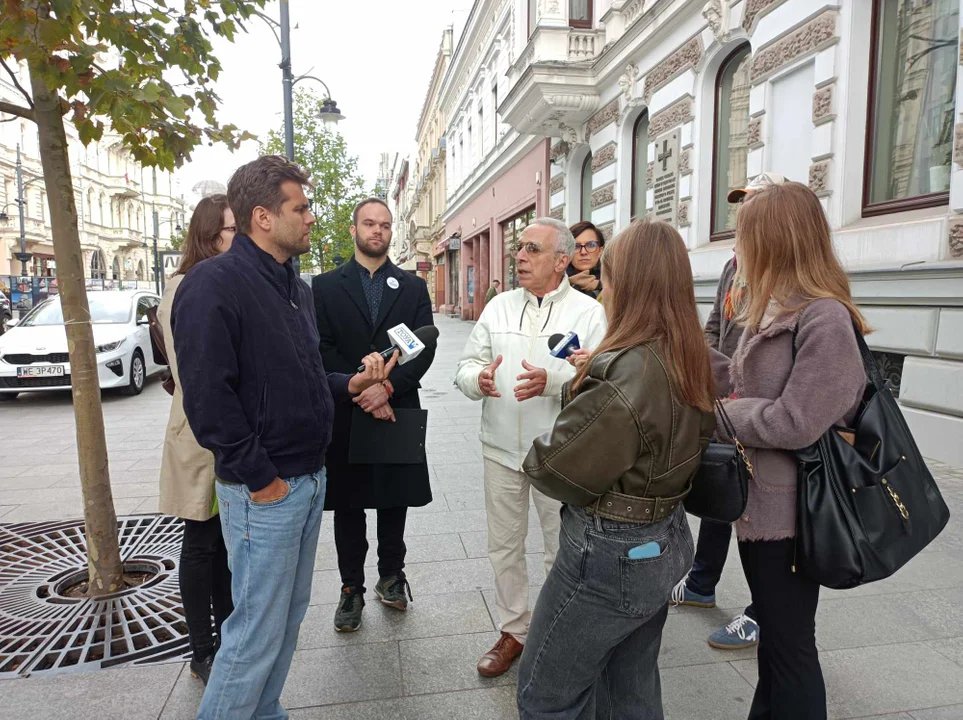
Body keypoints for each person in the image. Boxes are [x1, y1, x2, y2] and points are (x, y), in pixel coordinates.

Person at [172, 155, 397, 720]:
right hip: (264, 490)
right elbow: (208, 400)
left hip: (306, 479)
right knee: (252, 634)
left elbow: (298, 375)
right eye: (301, 208)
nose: (312, 218)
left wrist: (350, 384)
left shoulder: (295, 288)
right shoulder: (213, 284)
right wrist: (261, 477)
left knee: (284, 621)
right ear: (263, 216)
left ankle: (264, 712)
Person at [517, 220, 716, 718]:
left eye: (609, 272)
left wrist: (583, 390)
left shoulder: (631, 368)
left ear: (630, 281)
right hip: (663, 537)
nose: (603, 283)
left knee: (548, 697)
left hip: (611, 553)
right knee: (630, 688)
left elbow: (551, 467)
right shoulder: (688, 351)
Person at [712, 181, 867, 719]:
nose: (738, 248)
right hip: (759, 506)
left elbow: (797, 420)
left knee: (792, 648)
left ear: (777, 240)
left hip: (797, 514)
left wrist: (724, 416)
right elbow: (739, 379)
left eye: (746, 236)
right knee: (777, 647)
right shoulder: (773, 308)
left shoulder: (825, 317)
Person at [455, 217, 607, 678]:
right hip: (500, 448)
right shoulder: (498, 306)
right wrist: (476, 380)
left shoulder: (587, 312)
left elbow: (599, 375)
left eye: (532, 249)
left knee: (559, 548)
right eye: (519, 248)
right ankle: (514, 630)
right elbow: (467, 363)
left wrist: (554, 380)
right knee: (504, 545)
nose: (519, 256)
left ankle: (556, 630)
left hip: (558, 452)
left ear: (561, 261)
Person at [670, 172, 788, 651]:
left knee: (763, 510)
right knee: (721, 488)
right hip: (728, 401)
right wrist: (708, 378)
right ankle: (702, 583)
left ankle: (764, 611)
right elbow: (716, 324)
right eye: (741, 204)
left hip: (762, 409)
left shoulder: (786, 273)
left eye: (754, 204)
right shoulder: (734, 265)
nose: (743, 213)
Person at [312, 197, 436, 632]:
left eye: (384, 225)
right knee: (348, 505)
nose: (378, 231)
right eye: (369, 223)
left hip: (395, 409)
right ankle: (351, 588)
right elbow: (321, 348)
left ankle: (391, 576)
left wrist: (386, 388)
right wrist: (359, 387)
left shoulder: (413, 287)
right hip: (346, 409)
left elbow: (423, 349)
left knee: (392, 499)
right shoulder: (324, 287)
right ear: (353, 230)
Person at [157, 194, 236, 685]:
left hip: (215, 431)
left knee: (223, 542)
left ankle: (225, 639)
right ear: (211, 237)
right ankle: (203, 649)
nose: (239, 238)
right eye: (231, 230)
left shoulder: (212, 281)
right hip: (200, 432)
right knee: (201, 541)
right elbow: (196, 370)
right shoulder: (188, 287)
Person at [565, 220, 604, 298]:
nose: (583, 252)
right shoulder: (553, 286)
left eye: (591, 245)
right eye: (576, 246)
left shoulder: (616, 284)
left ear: (600, 251)